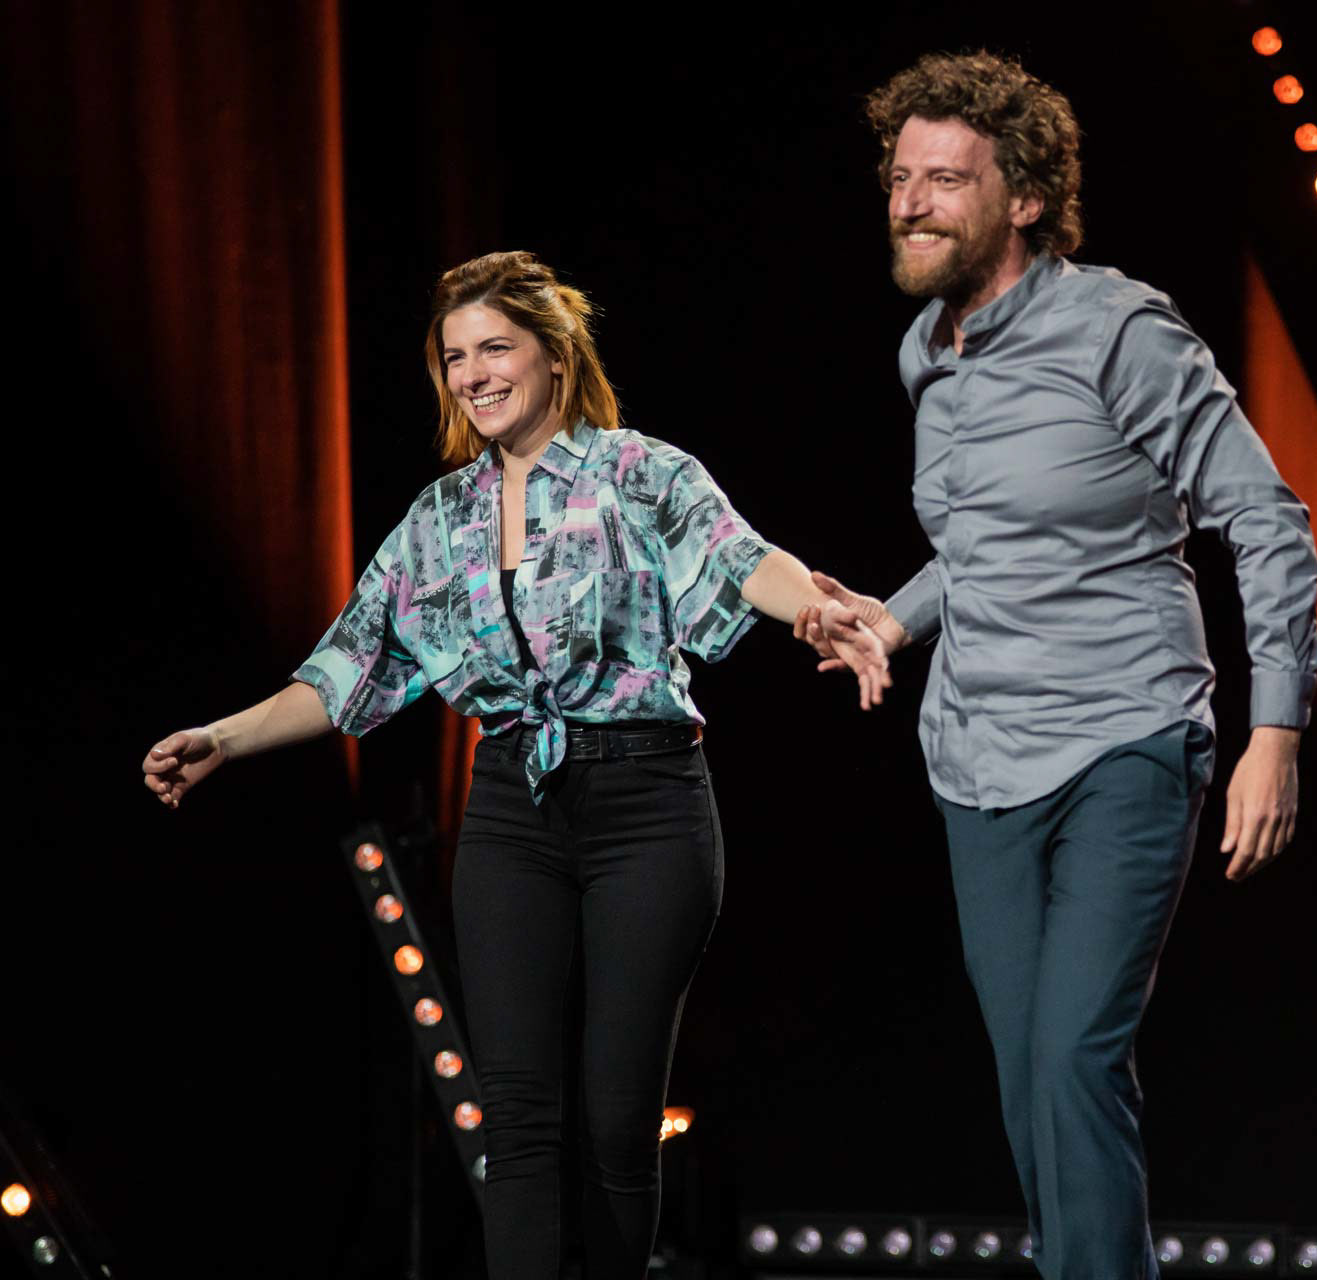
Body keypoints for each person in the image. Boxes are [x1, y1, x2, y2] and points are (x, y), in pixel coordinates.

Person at [141, 250, 891, 1278]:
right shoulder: (439, 517)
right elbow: (349, 665)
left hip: (648, 806)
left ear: (555, 355)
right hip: (512, 810)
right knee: (519, 1121)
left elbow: (740, 556)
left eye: (495, 348)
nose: (473, 374)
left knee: (618, 1117)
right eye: (455, 357)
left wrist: (813, 607)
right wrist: (223, 738)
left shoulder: (641, 472)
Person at [797, 53, 1317, 1280]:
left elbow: (1266, 519)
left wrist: (1277, 730)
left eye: (946, 180)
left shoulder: (1118, 330)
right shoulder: (926, 353)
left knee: (1077, 1054)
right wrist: (892, 621)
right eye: (901, 177)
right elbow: (980, 546)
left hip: (1124, 735)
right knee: (1029, 1073)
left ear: (1024, 197)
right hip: (977, 758)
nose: (911, 202)